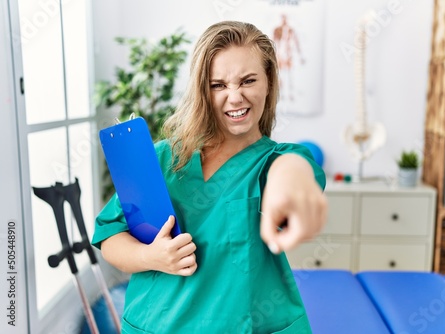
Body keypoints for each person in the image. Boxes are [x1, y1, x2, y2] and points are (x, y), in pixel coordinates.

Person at [92, 20, 327, 333]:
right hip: (158, 324)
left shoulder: (275, 160)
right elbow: (110, 236)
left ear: (269, 82)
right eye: (218, 85)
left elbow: (295, 170)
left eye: (248, 81)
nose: (234, 97)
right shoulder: (162, 158)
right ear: (202, 89)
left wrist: (292, 174)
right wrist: (151, 256)